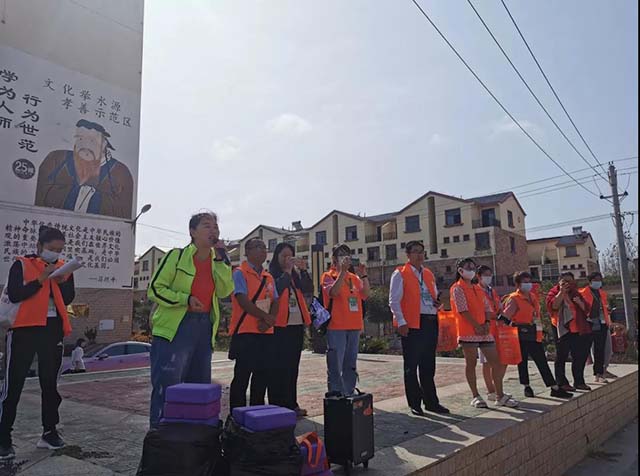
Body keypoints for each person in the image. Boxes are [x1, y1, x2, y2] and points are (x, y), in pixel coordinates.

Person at [147, 212, 233, 428]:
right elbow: (155, 289)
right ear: (192, 232)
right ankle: (159, 437)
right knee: (168, 386)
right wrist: (185, 299)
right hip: (175, 328)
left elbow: (225, 290)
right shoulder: (176, 257)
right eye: (207, 226)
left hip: (203, 327)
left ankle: (194, 440)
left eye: (216, 227)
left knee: (199, 387)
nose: (213, 231)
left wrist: (222, 259)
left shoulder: (217, 263)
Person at [0, 226, 75, 460]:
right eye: (52, 249)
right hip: (24, 329)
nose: (55, 254)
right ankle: (3, 438)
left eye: (59, 250)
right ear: (39, 246)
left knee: (49, 384)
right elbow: (14, 294)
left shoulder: (63, 268)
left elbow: (70, 297)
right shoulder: (21, 264)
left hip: (52, 330)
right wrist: (40, 280)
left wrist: (62, 281)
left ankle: (49, 432)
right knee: (14, 384)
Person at [389, 241, 449, 416]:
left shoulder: (428, 273)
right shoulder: (400, 273)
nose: (419, 255)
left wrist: (438, 303)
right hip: (412, 323)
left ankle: (431, 402)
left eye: (421, 252)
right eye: (415, 252)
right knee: (411, 364)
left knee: (428, 365)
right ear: (407, 255)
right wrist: (401, 322)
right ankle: (415, 402)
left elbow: (433, 295)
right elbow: (394, 300)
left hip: (430, 320)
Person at [450, 258, 517, 408]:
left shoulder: (477, 288)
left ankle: (499, 395)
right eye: (468, 267)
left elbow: (487, 308)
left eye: (473, 267)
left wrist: (486, 323)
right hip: (468, 331)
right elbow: (463, 310)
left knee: (496, 362)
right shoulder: (457, 288)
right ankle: (475, 395)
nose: (471, 270)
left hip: (484, 331)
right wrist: (476, 325)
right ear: (460, 270)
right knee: (471, 363)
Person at [35, 120, 134, 219]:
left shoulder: (120, 172)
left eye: (92, 140)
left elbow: (122, 212)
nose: (85, 145)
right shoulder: (56, 159)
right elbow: (41, 194)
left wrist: (87, 197)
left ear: (104, 144)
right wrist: (82, 194)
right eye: (80, 138)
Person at [501, 272, 572, 399]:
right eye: (525, 282)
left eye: (529, 281)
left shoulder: (533, 296)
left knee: (541, 360)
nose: (528, 284)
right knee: (522, 361)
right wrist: (510, 328)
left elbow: (536, 314)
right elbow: (505, 317)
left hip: (534, 332)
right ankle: (526, 386)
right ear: (517, 284)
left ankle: (553, 387)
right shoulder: (514, 298)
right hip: (520, 333)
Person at [229, 238, 279, 410]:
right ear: (247, 252)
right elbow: (242, 300)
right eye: (257, 247)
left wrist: (269, 320)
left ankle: (257, 414)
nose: (262, 250)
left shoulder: (268, 276)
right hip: (246, 333)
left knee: (262, 377)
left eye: (264, 247)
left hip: (265, 333)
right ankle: (237, 416)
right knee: (242, 377)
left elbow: (275, 300)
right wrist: (266, 317)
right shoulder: (239, 273)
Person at [268, 243, 314, 417]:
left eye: (290, 256)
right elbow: (277, 290)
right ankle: (277, 405)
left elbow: (308, 288)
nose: (288, 260)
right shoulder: (272, 275)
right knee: (278, 368)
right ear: (276, 257)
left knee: (292, 368)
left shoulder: (295, 276)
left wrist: (302, 270)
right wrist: (287, 272)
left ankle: (291, 404)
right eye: (284, 256)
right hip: (280, 327)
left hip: (295, 326)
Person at [321, 244, 370, 397]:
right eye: (341, 255)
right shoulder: (329, 276)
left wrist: (364, 275)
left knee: (350, 363)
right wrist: (342, 272)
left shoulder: (354, 278)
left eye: (347, 254)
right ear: (334, 259)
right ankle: (336, 393)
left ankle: (348, 392)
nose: (345, 257)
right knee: (336, 363)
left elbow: (365, 294)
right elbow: (333, 293)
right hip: (337, 326)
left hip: (354, 325)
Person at [546, 272, 592, 392]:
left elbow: (586, 309)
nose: (568, 284)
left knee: (579, 356)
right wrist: (561, 292)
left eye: (570, 281)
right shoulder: (553, 292)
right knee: (562, 355)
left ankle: (579, 381)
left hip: (577, 328)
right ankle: (561, 382)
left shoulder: (575, 293)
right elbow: (553, 306)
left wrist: (579, 303)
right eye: (565, 281)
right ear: (559, 282)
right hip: (561, 328)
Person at [475, 265, 507, 403]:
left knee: (500, 360)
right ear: (479, 276)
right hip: (485, 329)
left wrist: (501, 313)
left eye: (490, 274)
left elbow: (499, 306)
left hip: (497, 328)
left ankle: (498, 387)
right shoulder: (476, 290)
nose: (489, 277)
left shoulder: (491, 291)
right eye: (486, 275)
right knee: (487, 362)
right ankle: (490, 390)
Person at [579, 272, 614, 383]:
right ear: (590, 281)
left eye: (600, 279)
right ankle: (579, 377)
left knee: (600, 348)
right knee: (584, 349)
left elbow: (604, 307)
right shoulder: (583, 292)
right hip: (589, 323)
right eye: (596, 280)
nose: (598, 282)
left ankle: (599, 373)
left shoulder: (602, 293)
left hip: (602, 322)